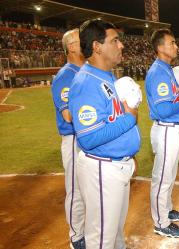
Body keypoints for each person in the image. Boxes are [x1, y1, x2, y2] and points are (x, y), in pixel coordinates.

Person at [69, 19, 141, 248]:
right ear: (97, 47)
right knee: (101, 239)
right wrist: (130, 117)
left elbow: (111, 119)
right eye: (115, 40)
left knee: (115, 234)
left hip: (115, 165)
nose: (121, 46)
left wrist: (129, 155)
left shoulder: (107, 76)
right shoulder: (86, 83)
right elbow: (89, 137)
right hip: (102, 168)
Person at [146, 29, 179, 238]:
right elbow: (164, 110)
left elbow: (173, 102)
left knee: (170, 175)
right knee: (162, 178)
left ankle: (167, 209)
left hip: (174, 130)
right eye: (172, 43)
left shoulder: (166, 70)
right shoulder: (158, 72)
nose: (176, 46)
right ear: (160, 47)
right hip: (166, 130)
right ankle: (161, 222)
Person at [51, 28, 86, 249]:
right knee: (76, 191)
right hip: (74, 139)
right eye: (81, 40)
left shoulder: (88, 70)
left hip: (90, 138)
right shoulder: (66, 76)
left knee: (91, 190)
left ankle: (88, 232)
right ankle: (76, 237)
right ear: (71, 46)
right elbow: (69, 115)